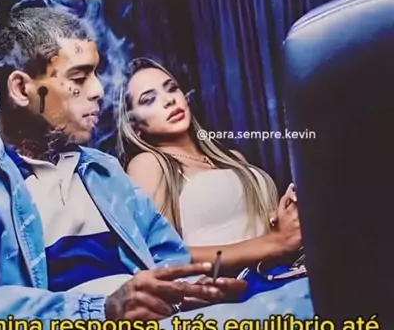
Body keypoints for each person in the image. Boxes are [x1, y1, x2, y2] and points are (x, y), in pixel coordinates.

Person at [0, 8, 323, 330]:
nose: (97, 92)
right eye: (79, 77)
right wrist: (100, 312)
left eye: (96, 74)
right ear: (23, 88)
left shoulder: (104, 171)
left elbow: (168, 263)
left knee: (324, 295)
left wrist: (193, 290)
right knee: (315, 311)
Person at [117, 57, 303, 277]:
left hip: (284, 274)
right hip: (236, 291)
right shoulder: (148, 164)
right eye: (149, 100)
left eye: (172, 88)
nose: (169, 100)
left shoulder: (232, 158)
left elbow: (245, 225)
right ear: (135, 126)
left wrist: (283, 216)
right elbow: (162, 257)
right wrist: (276, 242)